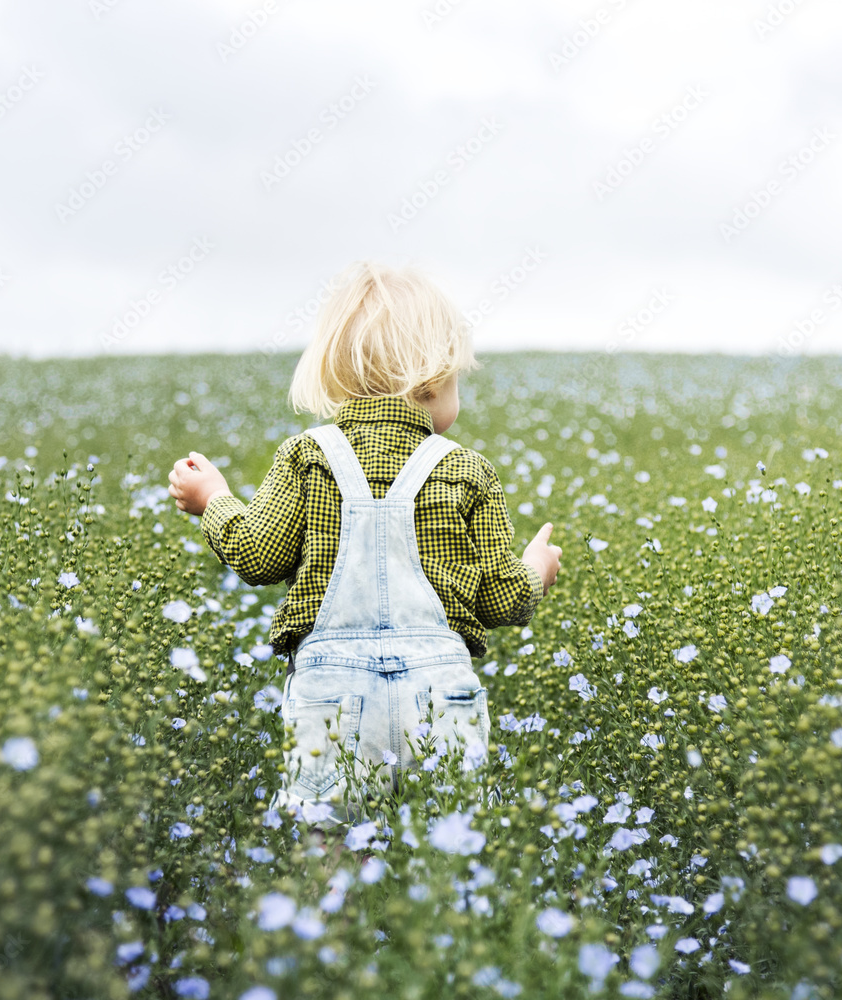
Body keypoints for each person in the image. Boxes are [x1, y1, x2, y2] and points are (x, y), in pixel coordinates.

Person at [167, 260, 561, 837]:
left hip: (331, 694)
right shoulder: (467, 470)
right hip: (439, 697)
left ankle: (333, 924)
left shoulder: (306, 456)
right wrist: (536, 570)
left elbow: (258, 556)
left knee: (325, 846)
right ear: (432, 381)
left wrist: (216, 500)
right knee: (446, 855)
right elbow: (503, 600)